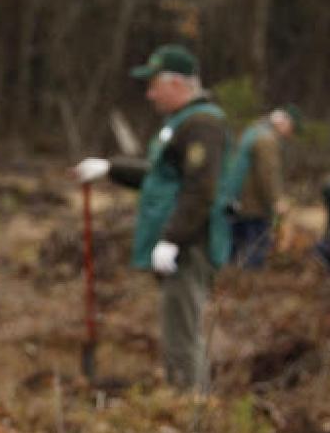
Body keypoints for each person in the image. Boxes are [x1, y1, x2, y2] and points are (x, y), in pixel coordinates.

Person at [73, 44, 231, 391]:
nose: (149, 94)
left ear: (176, 84)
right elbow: (161, 176)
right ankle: (185, 401)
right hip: (178, 242)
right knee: (177, 328)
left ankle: (190, 409)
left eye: (154, 84)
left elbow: (200, 189)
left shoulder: (203, 125)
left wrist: (172, 240)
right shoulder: (181, 123)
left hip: (190, 245)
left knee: (182, 333)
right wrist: (112, 168)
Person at [219, 104, 301, 268]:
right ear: (284, 122)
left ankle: (228, 278)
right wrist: (276, 200)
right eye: (291, 128)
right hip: (253, 205)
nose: (290, 134)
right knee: (256, 246)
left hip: (236, 200)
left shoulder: (252, 132)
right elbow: (268, 174)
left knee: (234, 245)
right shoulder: (267, 140)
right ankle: (248, 283)